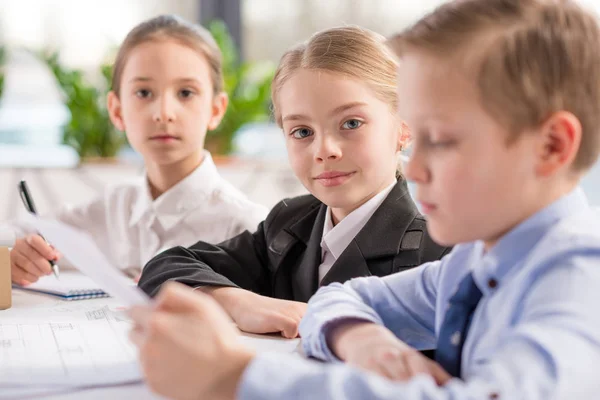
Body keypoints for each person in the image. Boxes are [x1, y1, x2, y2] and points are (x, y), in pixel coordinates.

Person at [129, 0, 600, 399]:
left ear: (552, 146)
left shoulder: (579, 289)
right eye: (301, 131)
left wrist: (238, 377)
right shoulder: (477, 261)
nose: (413, 168)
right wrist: (360, 336)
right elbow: (338, 297)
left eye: (441, 139)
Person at [137, 26, 448, 339]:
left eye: (351, 123)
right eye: (302, 132)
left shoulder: (438, 249)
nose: (324, 151)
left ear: (404, 126)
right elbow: (166, 266)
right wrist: (237, 301)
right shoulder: (288, 225)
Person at [6, 15, 267, 285]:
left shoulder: (247, 226)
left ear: (216, 109)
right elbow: (12, 236)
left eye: (186, 93)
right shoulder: (111, 210)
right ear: (117, 110)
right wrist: (14, 258)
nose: (164, 113)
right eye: (144, 93)